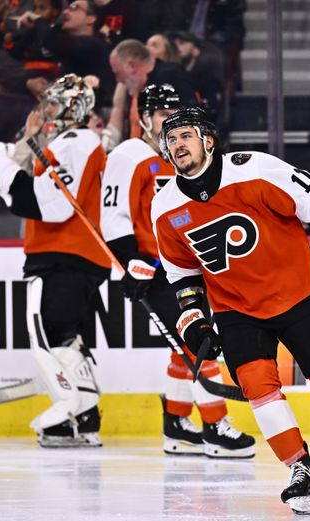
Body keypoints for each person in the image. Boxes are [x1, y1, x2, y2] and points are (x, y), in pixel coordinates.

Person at [149, 106, 310, 514]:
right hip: (236, 309)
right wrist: (193, 316)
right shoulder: (163, 207)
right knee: (259, 392)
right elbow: (183, 275)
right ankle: (300, 472)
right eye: (171, 139)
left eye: (186, 136)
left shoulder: (255, 169)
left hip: (296, 293)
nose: (178, 144)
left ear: (208, 141)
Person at [102, 83, 255, 458]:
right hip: (154, 270)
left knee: (184, 347)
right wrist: (131, 263)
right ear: (142, 118)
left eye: (174, 115)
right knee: (199, 343)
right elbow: (112, 215)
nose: (168, 123)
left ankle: (175, 423)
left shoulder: (177, 157)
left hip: (184, 267)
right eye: (161, 115)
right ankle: (215, 427)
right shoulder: (131, 153)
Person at [0, 74, 107, 447]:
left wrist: (1, 171)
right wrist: (28, 144)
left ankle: (69, 410)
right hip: (73, 255)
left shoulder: (75, 140)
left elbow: (49, 203)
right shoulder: (68, 143)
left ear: (71, 107)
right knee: (67, 336)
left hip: (62, 254)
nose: (47, 110)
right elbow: (51, 181)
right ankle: (83, 416)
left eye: (53, 103)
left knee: (50, 337)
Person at [105, 38, 196, 148]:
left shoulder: (171, 78)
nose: (118, 80)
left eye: (118, 73)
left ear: (132, 66)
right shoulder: (137, 87)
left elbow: (188, 123)